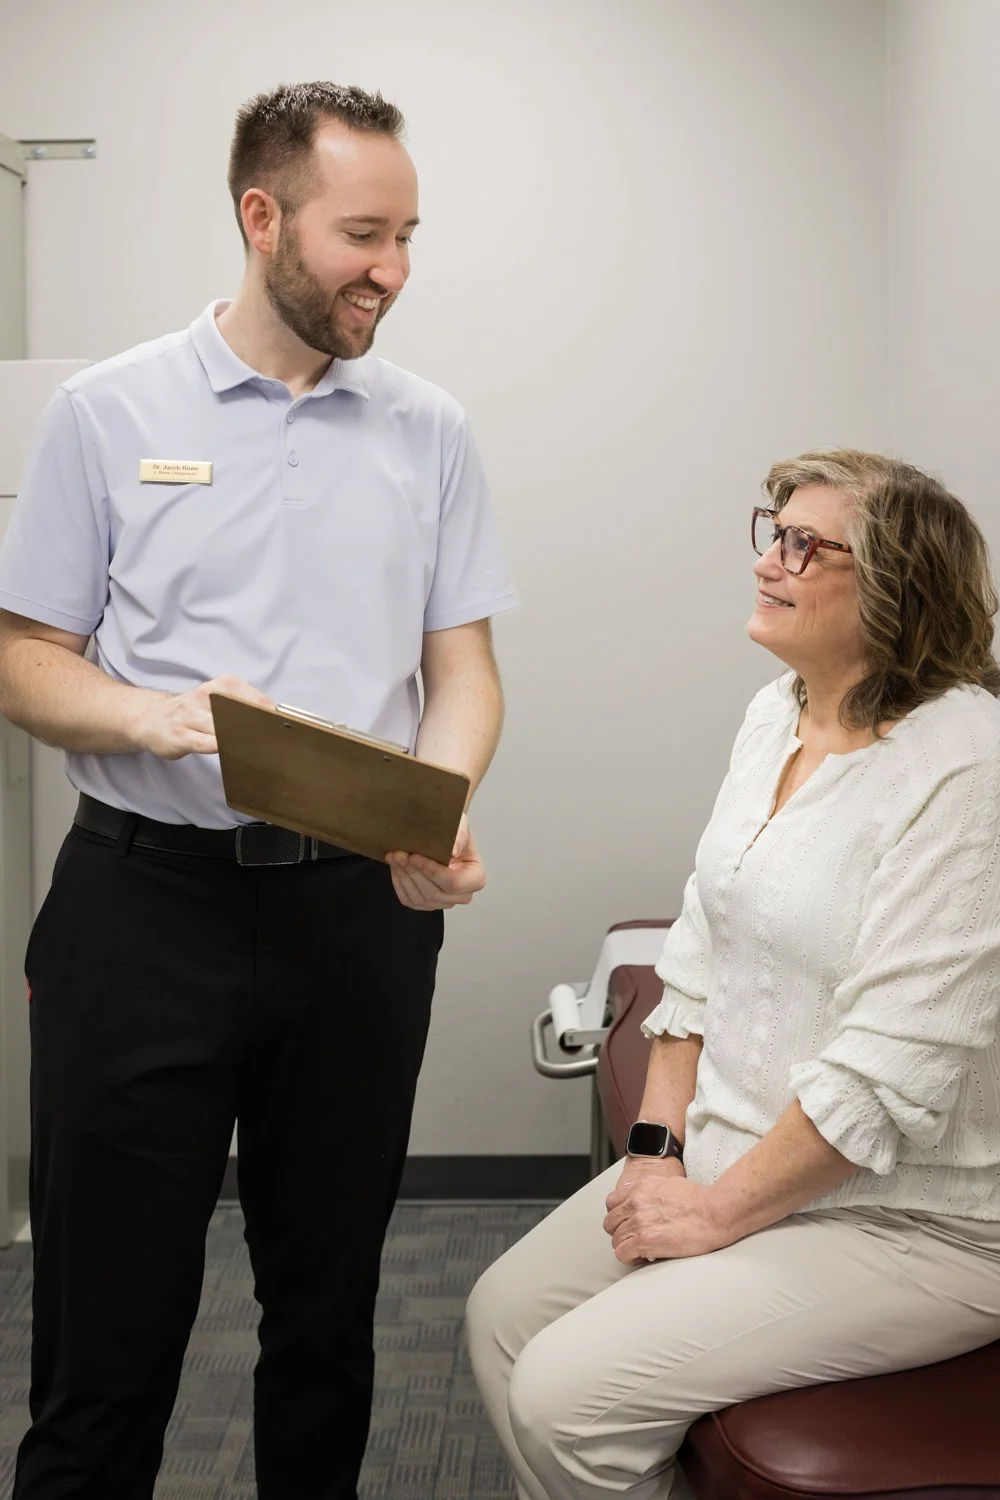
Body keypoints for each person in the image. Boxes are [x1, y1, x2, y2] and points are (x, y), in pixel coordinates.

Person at [0, 81, 515, 1500]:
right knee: (104, 1343)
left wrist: (441, 804)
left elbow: (463, 670)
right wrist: (150, 713)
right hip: (140, 910)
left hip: (358, 915)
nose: (392, 271)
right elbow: (23, 658)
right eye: (364, 234)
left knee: (328, 1321)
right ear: (262, 215)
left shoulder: (431, 429)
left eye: (409, 235)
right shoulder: (110, 412)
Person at [467, 448, 1000, 1500]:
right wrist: (657, 1154)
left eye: (806, 545)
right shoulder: (778, 712)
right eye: (773, 531)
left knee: (563, 1397)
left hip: (911, 1220)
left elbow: (884, 1077)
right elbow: (698, 956)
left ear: (897, 589)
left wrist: (713, 1216)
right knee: (500, 1319)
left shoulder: (966, 771)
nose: (771, 562)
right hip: (728, 1151)